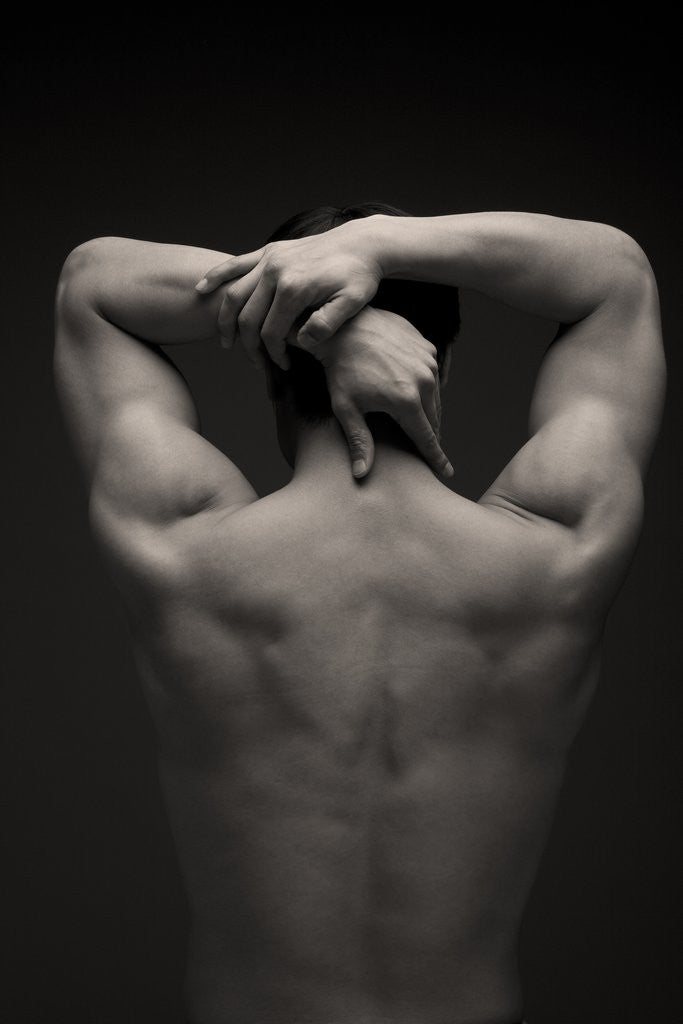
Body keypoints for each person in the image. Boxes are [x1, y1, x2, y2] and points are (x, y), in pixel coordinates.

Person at [54, 203, 665, 1024]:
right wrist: (381, 245)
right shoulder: (558, 553)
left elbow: (89, 283)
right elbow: (615, 277)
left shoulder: (181, 553)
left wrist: (315, 318)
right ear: (439, 363)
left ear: (272, 363)